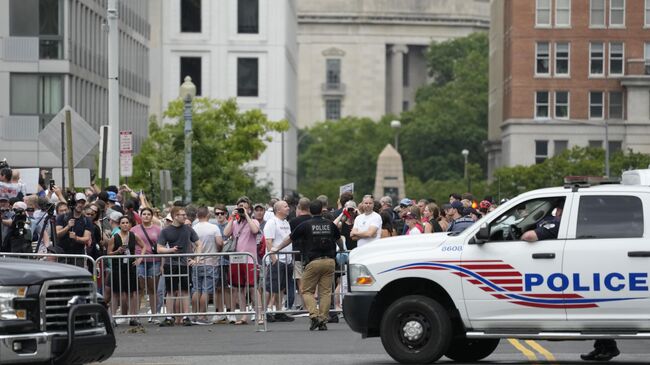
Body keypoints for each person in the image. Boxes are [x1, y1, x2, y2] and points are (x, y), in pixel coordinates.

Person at [271, 199, 343, 330]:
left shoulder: (306, 225)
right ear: (322, 210)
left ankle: (314, 316)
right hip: (330, 261)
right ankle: (323, 320)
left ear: (310, 210)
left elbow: (290, 238)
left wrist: (278, 248)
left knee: (306, 290)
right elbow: (338, 239)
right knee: (326, 292)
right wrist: (342, 249)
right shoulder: (330, 224)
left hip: (313, 261)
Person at [157, 206, 201, 327]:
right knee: (170, 291)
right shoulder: (166, 231)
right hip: (170, 264)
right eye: (182, 215)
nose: (185, 216)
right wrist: (171, 250)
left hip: (185, 264)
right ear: (175, 216)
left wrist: (196, 258)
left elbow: (198, 243)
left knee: (185, 290)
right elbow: (159, 248)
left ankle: (186, 316)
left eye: (185, 214)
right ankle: (169, 316)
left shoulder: (188, 229)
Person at [224, 197, 261, 325]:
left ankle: (259, 315)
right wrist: (232, 217)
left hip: (250, 260)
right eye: (240, 207)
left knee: (252, 288)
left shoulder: (254, 221)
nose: (242, 209)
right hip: (236, 260)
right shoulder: (235, 223)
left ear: (249, 209)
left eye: (244, 207)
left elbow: (255, 230)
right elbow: (226, 233)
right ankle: (244, 315)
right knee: (240, 289)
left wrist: (246, 214)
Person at [107, 216, 146, 326]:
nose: (125, 224)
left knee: (132, 292)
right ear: (119, 225)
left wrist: (140, 258)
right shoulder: (114, 237)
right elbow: (108, 253)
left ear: (130, 225)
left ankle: (133, 317)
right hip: (117, 267)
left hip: (130, 266)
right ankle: (113, 317)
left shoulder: (134, 236)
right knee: (115, 293)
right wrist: (117, 251)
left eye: (127, 222)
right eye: (123, 223)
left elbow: (143, 246)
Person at [264, 200, 295, 323]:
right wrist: (273, 259)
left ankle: (279, 311)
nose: (288, 208)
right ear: (278, 210)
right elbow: (268, 241)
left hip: (287, 260)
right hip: (277, 260)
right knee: (270, 287)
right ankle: (264, 312)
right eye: (285, 206)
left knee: (281, 288)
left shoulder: (286, 222)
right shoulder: (272, 222)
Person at [190, 206, 222, 325]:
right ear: (208, 215)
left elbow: (191, 244)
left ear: (198, 216)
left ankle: (194, 314)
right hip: (211, 261)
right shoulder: (214, 228)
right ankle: (202, 316)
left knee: (196, 289)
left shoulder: (194, 228)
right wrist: (219, 250)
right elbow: (219, 242)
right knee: (206, 290)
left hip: (197, 262)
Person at [131, 207, 162, 324]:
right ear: (140, 216)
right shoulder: (134, 229)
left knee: (153, 289)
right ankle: (135, 316)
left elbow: (161, 246)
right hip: (139, 261)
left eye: (149, 214)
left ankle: (154, 315)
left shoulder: (158, 230)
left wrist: (162, 263)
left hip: (154, 261)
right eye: (144, 214)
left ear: (152, 216)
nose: (146, 216)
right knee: (139, 289)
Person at [55, 193, 93, 266]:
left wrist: (76, 238)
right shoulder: (62, 217)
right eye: (78, 202)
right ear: (74, 203)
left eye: (83, 203)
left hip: (78, 256)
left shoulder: (86, 220)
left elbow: (87, 238)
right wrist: (68, 227)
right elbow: (57, 234)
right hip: (63, 254)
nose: (80, 205)